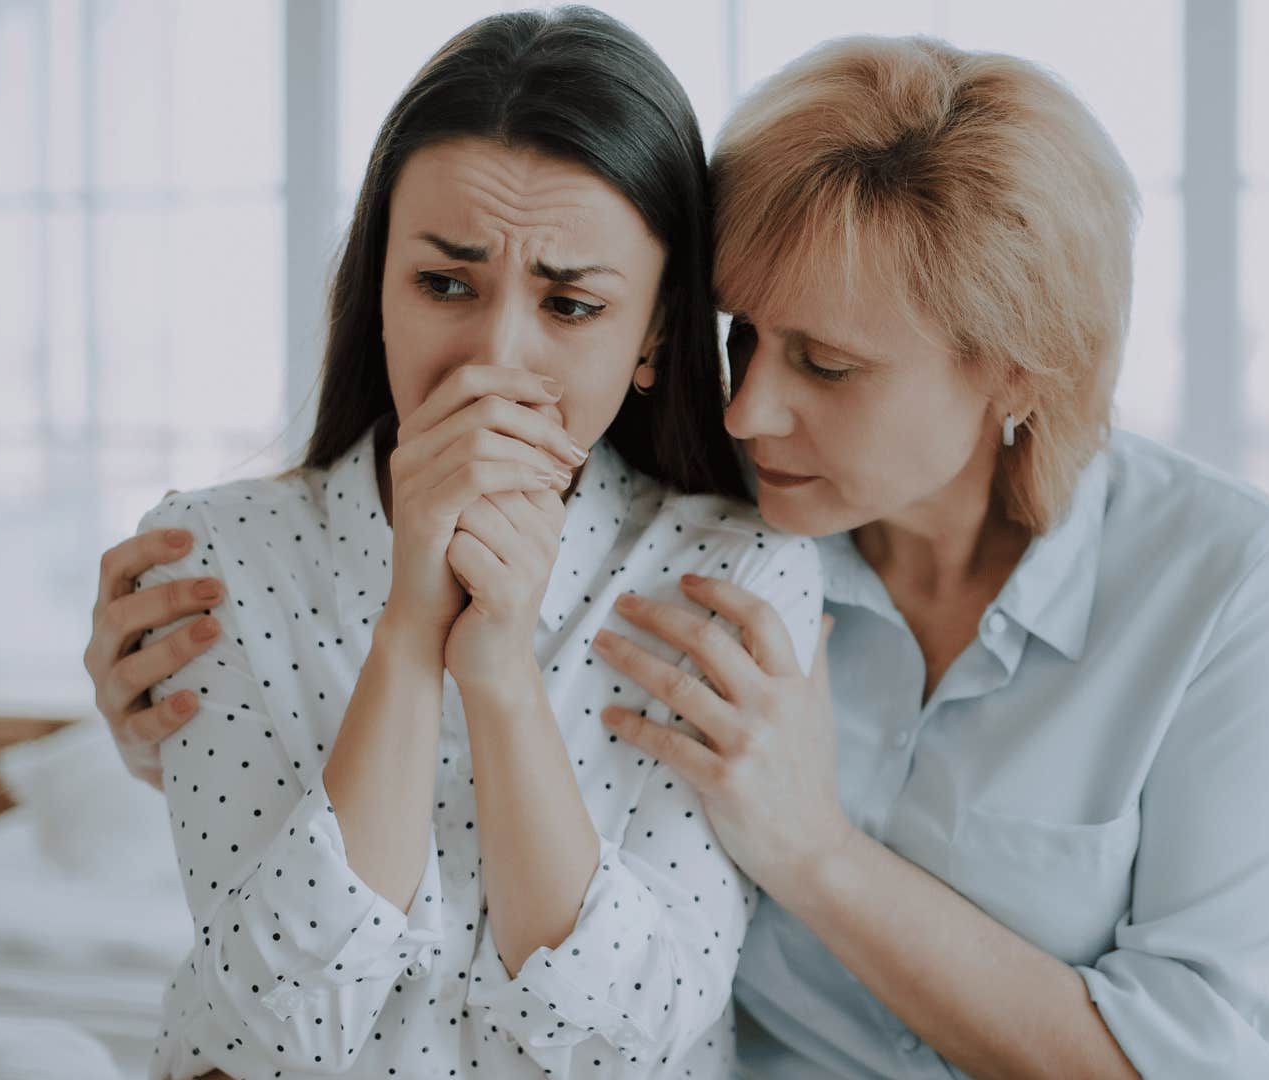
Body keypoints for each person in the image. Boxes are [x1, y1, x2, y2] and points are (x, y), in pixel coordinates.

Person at [91, 26, 1269, 1080]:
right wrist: (166, 726)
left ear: (1018, 374)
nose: (748, 409)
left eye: (826, 363)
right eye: (739, 336)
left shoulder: (1221, 577)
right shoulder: (731, 535)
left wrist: (811, 848)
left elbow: (1198, 1059)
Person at [111, 9, 822, 1078]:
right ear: (378, 291)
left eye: (571, 305)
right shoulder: (213, 558)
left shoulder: (735, 576)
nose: (494, 360)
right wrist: (411, 631)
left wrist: (498, 672)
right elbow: (271, 1030)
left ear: (655, 336)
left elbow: (631, 1044)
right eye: (445, 285)